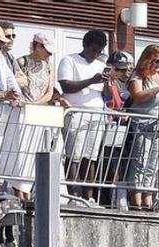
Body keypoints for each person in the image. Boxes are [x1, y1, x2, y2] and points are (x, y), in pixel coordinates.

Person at [125, 44, 159, 210]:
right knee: (140, 162)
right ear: (148, 59)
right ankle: (136, 200)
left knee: (152, 165)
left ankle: (148, 199)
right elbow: (138, 96)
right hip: (142, 124)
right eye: (156, 61)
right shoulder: (139, 75)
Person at [57, 30, 109, 201]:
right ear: (85, 45)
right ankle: (74, 196)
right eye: (94, 50)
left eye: (99, 51)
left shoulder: (101, 66)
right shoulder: (69, 60)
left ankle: (89, 197)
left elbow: (106, 94)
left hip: (96, 115)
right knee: (74, 156)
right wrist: (91, 81)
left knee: (90, 157)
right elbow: (66, 86)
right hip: (76, 113)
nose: (96, 54)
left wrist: (109, 83)